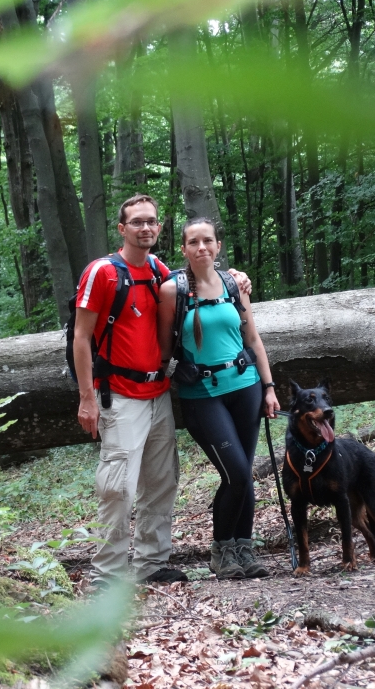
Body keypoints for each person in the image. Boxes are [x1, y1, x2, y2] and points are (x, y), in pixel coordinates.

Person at [73, 195, 250, 587]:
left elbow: (200, 279)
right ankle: (109, 574)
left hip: (158, 393)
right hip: (117, 396)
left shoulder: (157, 270)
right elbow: (81, 338)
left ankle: (151, 564)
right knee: (117, 486)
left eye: (151, 222)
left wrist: (235, 276)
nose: (146, 228)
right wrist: (87, 397)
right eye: (136, 222)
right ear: (122, 229)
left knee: (161, 481)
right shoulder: (102, 273)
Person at [157, 217, 281, 579]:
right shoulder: (172, 291)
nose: (201, 248)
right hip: (202, 395)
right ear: (183, 250)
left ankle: (244, 549)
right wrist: (171, 378)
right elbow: (165, 350)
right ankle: (221, 552)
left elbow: (253, 340)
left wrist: (269, 388)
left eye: (207, 241)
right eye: (193, 242)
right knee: (238, 473)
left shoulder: (233, 284)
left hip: (246, 386)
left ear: (217, 246)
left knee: (244, 475)